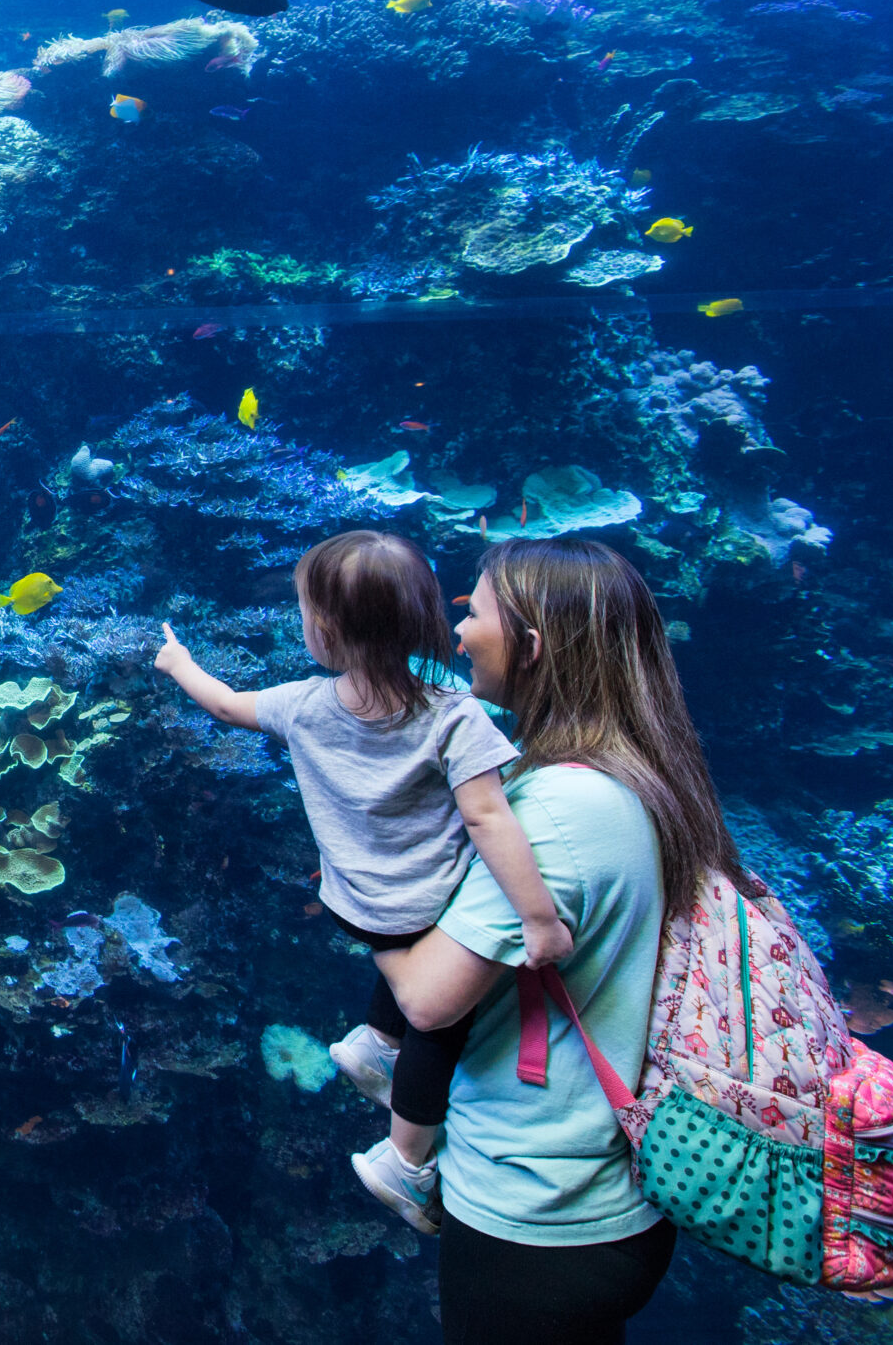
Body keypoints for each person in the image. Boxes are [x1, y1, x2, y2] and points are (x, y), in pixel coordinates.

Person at [373, 537, 745, 1344]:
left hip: (536, 1212)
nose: (457, 630)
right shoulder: (637, 774)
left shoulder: (556, 811)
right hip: (602, 1200)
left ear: (533, 647)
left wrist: (359, 874)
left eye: (473, 610)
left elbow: (427, 997)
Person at [154, 530, 571, 1232]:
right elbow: (489, 817)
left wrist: (180, 662)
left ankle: (376, 1046)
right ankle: (401, 1161)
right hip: (429, 907)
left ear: (326, 633)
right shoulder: (453, 715)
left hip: (353, 904)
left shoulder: (303, 705)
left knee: (408, 974)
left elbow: (224, 704)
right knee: (441, 1025)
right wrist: (538, 919)